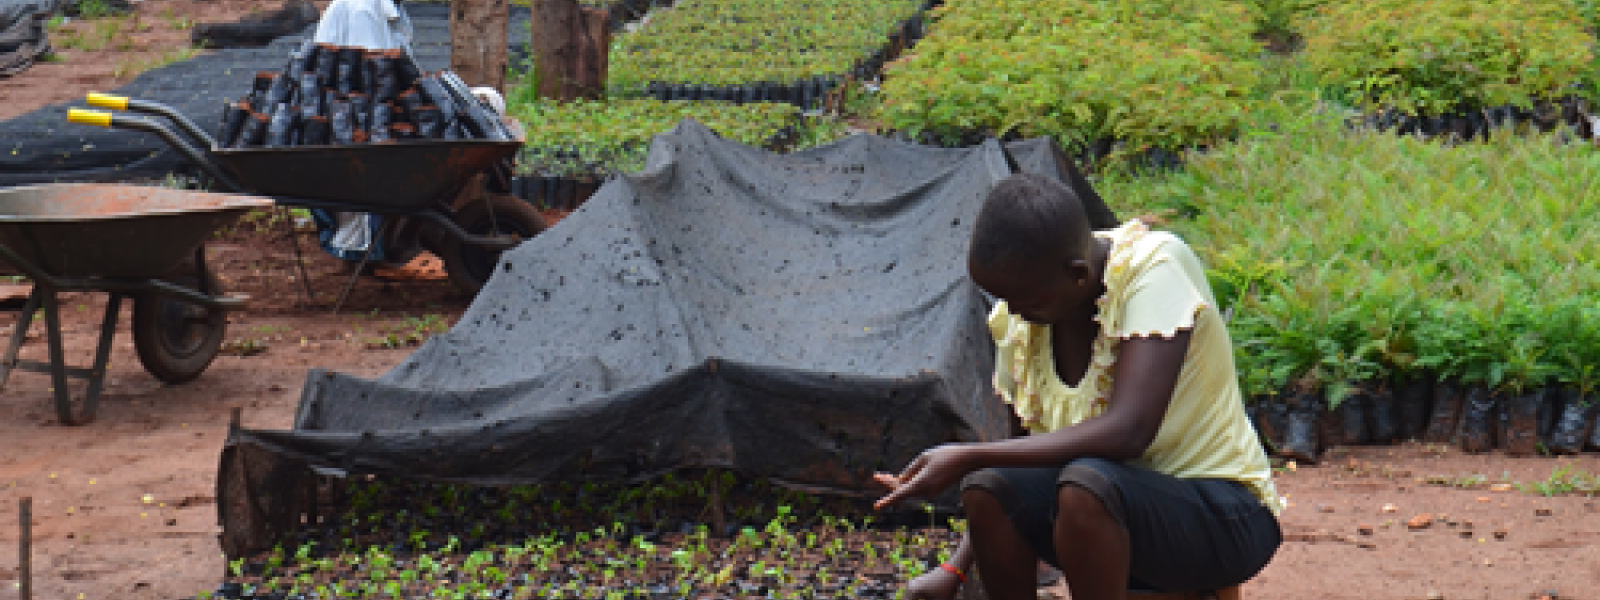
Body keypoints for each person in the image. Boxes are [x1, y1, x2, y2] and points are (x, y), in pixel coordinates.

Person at [873, 173, 1283, 600]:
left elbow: (1130, 432)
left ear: (1078, 275)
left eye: (1025, 301)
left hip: (1224, 518)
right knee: (988, 484)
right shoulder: (1023, 321)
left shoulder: (1154, 270)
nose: (1014, 312)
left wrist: (965, 455)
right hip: (1111, 521)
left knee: (1085, 486)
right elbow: (1017, 468)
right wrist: (955, 570)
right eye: (1005, 300)